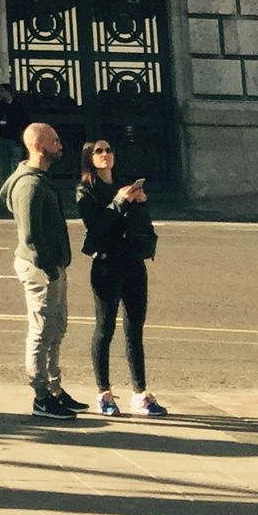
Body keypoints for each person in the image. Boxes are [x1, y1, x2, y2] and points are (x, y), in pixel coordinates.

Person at [77, 138, 166, 417]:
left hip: (133, 262)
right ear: (90, 158)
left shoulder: (125, 184)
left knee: (135, 329)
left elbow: (140, 224)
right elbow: (96, 228)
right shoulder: (86, 190)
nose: (105, 155)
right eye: (98, 151)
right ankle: (104, 392)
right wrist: (119, 202)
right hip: (107, 263)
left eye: (109, 150)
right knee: (105, 328)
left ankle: (140, 392)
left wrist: (140, 202)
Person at [2, 120, 77, 419]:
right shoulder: (30, 185)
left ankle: (55, 387)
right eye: (54, 141)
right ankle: (41, 396)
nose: (60, 146)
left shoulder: (40, 179)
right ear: (37, 146)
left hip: (52, 265)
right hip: (40, 269)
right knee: (42, 330)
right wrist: (49, 268)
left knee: (56, 327)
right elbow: (31, 236)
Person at [0, 79, 29, 172]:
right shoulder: (0, 105)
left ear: (7, 92)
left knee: (16, 161)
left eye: (1, 91)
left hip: (14, 137)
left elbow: (24, 120)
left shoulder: (18, 105)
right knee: (5, 163)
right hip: (3, 137)